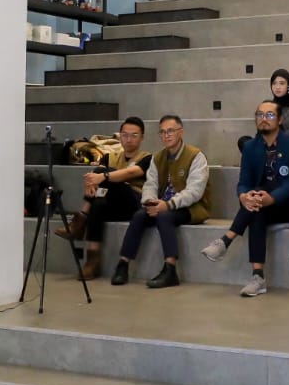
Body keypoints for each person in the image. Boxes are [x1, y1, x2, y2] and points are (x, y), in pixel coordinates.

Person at [200, 101, 289, 298]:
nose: (264, 119)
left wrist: (271, 198)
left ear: (280, 119)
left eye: (269, 115)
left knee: (257, 200)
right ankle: (258, 277)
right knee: (256, 204)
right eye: (260, 115)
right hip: (262, 204)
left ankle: (226, 240)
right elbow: (244, 183)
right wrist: (244, 196)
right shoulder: (251, 147)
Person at [111, 115, 212, 289]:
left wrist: (168, 205)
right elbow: (150, 185)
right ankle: (123, 264)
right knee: (139, 216)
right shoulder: (158, 157)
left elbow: (194, 192)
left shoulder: (196, 156)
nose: (166, 135)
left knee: (164, 217)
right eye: (163, 132)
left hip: (192, 207)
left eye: (170, 131)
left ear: (181, 132)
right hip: (163, 204)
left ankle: (170, 269)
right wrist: (150, 202)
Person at [56, 117, 149, 281]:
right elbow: (96, 181)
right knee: (98, 203)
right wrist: (92, 182)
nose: (129, 139)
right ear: (119, 136)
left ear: (142, 137)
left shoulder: (148, 158)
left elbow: (130, 173)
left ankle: (80, 220)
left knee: (103, 174)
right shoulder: (109, 157)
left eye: (134, 135)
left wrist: (103, 176)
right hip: (112, 205)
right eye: (125, 135)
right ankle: (92, 262)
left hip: (133, 203)